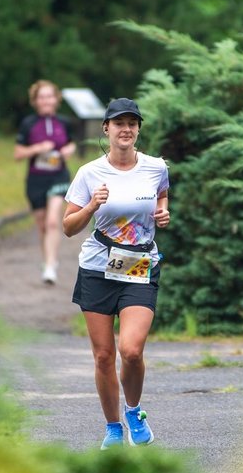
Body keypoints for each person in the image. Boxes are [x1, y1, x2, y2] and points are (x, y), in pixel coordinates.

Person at [63, 98, 170, 449]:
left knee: (132, 350)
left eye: (132, 123)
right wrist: (92, 205)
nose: (126, 129)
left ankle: (134, 409)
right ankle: (112, 428)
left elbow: (161, 196)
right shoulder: (89, 173)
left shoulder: (155, 168)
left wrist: (162, 212)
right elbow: (68, 226)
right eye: (118, 123)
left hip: (139, 264)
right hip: (97, 267)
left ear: (138, 129)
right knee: (104, 356)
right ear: (106, 129)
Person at [14, 79, 77, 284]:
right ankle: (47, 260)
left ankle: (50, 266)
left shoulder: (64, 122)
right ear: (35, 100)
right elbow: (17, 153)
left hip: (58, 176)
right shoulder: (28, 124)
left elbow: (71, 144)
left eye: (50, 96)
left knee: (52, 221)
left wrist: (69, 149)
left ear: (56, 99)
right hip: (36, 179)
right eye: (42, 97)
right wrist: (36, 148)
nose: (46, 100)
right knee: (42, 225)